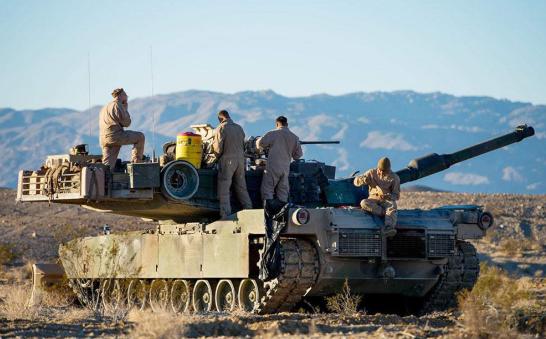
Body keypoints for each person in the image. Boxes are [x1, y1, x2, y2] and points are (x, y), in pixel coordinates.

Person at [212, 110, 252, 218]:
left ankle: (225, 215)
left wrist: (214, 157)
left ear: (220, 119)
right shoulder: (239, 128)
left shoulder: (221, 128)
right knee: (241, 187)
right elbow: (243, 144)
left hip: (227, 160)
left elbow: (217, 148)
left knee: (224, 188)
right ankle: (249, 211)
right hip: (240, 161)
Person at [256, 116, 303, 203]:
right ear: (287, 124)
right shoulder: (294, 137)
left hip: (273, 167)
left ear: (277, 124)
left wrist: (258, 142)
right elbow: (298, 155)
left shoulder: (273, 133)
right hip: (285, 168)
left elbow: (260, 143)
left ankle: (269, 211)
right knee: (283, 192)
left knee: (267, 190)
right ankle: (282, 212)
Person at [353, 157, 400, 237]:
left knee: (392, 206)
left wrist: (390, 196)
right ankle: (384, 213)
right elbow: (356, 182)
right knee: (364, 203)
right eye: (380, 170)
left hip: (386, 200)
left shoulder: (394, 178)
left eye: (384, 171)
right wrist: (363, 180)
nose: (382, 172)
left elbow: (396, 195)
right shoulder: (371, 172)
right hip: (373, 199)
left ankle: (389, 227)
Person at [99, 88, 145, 169]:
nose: (127, 97)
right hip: (115, 136)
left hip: (104, 138)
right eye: (126, 95)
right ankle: (136, 165)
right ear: (121, 95)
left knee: (107, 165)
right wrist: (125, 109)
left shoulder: (105, 107)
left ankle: (104, 179)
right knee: (140, 137)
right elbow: (126, 123)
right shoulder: (117, 105)